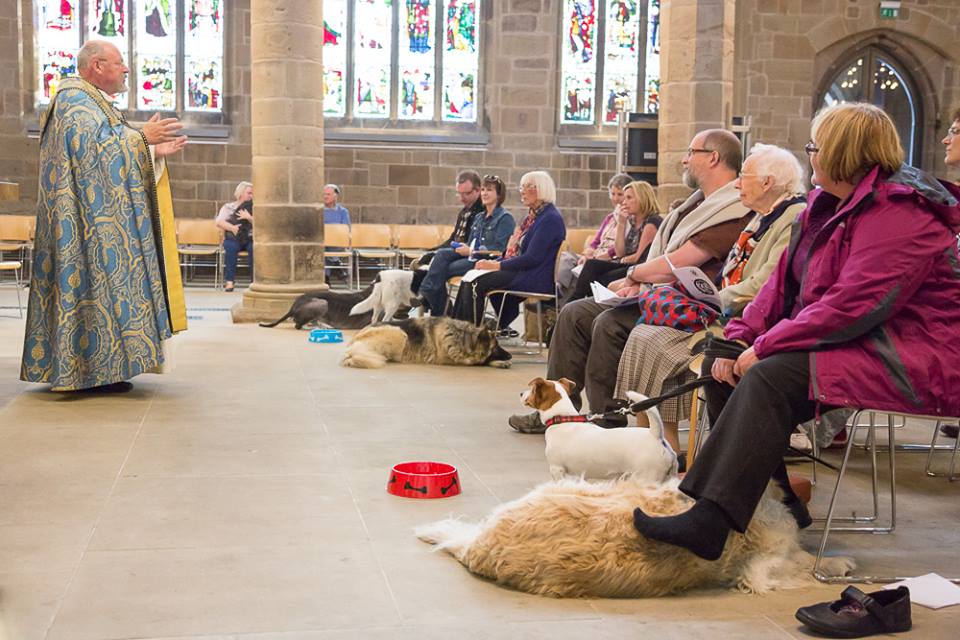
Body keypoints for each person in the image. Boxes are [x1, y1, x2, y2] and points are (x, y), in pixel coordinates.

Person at [632, 103, 960, 561]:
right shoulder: (823, 209)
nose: (810, 155)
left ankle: (710, 520)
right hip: (861, 339)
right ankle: (778, 499)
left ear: (843, 153)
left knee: (770, 373)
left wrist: (765, 346)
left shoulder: (904, 212)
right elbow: (779, 287)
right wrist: (742, 336)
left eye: (816, 146)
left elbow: (854, 305)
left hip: (912, 352)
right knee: (722, 357)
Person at [509, 129, 751, 433]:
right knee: (572, 314)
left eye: (692, 152)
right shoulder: (697, 203)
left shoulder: (733, 209)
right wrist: (638, 283)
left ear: (713, 158)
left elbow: (679, 262)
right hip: (659, 294)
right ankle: (557, 411)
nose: (685, 160)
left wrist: (634, 275)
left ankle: (606, 423)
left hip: (687, 307)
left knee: (607, 323)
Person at [614, 143, 807, 455]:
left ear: (768, 183)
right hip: (728, 310)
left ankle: (665, 452)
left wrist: (712, 298)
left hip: (749, 321)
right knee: (643, 333)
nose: (736, 183)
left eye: (744, 176)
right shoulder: (762, 216)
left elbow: (766, 283)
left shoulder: (793, 217)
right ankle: (653, 447)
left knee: (662, 344)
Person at [21, 40, 188, 393]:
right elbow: (92, 154)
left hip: (93, 220)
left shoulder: (90, 102)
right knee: (91, 290)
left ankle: (101, 369)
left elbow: (105, 149)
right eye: (119, 62)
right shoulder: (73, 102)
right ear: (97, 66)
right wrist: (141, 137)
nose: (126, 69)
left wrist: (150, 150)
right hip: (80, 227)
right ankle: (87, 372)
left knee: (103, 292)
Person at [450, 171, 566, 329]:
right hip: (523, 271)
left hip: (535, 277)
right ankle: (457, 331)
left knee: (477, 282)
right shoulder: (533, 217)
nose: (522, 191)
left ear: (542, 189)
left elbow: (532, 258)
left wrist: (496, 266)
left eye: (528, 187)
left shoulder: (550, 219)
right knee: (469, 277)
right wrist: (492, 262)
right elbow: (515, 253)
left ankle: (471, 337)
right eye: (521, 187)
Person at [417, 175, 516, 316]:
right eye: (483, 189)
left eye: (489, 190)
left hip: (484, 261)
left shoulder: (505, 218)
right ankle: (430, 298)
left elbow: (499, 251)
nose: (484, 193)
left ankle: (433, 305)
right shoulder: (479, 217)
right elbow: (470, 243)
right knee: (441, 254)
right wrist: (463, 247)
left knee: (441, 270)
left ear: (499, 195)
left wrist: (470, 251)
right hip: (470, 255)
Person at [567, 180, 663, 301]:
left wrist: (622, 259)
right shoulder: (633, 221)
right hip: (626, 263)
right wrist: (621, 224)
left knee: (600, 275)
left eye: (629, 198)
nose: (624, 202)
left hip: (638, 267)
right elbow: (620, 252)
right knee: (592, 265)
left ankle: (578, 303)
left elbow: (638, 257)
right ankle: (577, 303)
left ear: (642, 198)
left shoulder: (652, 222)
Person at [216, 182, 255, 292]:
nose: (251, 196)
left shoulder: (255, 207)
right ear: (240, 193)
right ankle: (229, 282)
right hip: (233, 238)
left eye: (253, 194)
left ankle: (254, 282)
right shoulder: (228, 207)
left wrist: (249, 218)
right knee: (231, 247)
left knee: (254, 249)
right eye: (249, 193)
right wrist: (232, 227)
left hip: (249, 239)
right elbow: (219, 222)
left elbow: (263, 224)